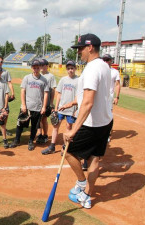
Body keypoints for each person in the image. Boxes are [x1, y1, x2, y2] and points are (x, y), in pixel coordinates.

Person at [61, 34, 113, 209]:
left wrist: (73, 130)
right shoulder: (105, 66)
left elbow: (89, 102)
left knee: (67, 151)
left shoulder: (91, 68)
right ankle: (86, 196)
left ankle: (82, 183)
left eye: (81, 49)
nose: (79, 53)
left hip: (92, 124)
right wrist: (74, 102)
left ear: (90, 48)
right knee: (94, 160)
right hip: (106, 121)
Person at [10, 60, 49, 151]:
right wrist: (23, 105)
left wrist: (43, 107)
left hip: (37, 107)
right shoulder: (27, 78)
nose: (36, 69)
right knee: (20, 124)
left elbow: (46, 93)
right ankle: (17, 140)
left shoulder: (44, 80)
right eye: (34, 67)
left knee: (34, 125)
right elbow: (23, 91)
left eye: (37, 67)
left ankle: (31, 141)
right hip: (26, 107)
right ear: (32, 68)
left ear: (40, 68)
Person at [42, 60, 79, 155]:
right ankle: (52, 146)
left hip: (71, 109)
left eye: (72, 68)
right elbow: (59, 94)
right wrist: (56, 107)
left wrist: (76, 109)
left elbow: (78, 96)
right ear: (66, 69)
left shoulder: (78, 80)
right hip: (61, 108)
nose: (70, 70)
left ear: (75, 68)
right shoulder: (63, 80)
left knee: (68, 126)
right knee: (55, 126)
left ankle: (65, 146)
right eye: (69, 68)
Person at [36, 58, 57, 144]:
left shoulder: (50, 76)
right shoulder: (37, 74)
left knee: (44, 119)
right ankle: (39, 134)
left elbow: (53, 90)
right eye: (40, 65)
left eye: (43, 65)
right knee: (38, 119)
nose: (41, 67)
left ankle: (45, 135)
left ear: (47, 66)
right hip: (38, 101)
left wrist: (51, 102)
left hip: (46, 101)